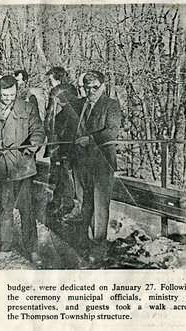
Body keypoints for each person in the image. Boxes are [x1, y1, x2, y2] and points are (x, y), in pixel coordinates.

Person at [0, 75, 45, 264]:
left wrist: (34, 143)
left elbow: (38, 129)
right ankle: (5, 248)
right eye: (5, 95)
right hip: (1, 168)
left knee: (27, 210)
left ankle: (33, 250)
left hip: (23, 166)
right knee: (5, 209)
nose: (8, 98)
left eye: (12, 94)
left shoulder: (27, 108)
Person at [72, 70, 121, 244]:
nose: (91, 91)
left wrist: (91, 139)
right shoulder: (80, 105)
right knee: (84, 201)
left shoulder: (111, 104)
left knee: (100, 205)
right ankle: (85, 239)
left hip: (102, 162)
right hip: (81, 161)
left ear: (103, 86)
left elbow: (112, 131)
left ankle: (99, 244)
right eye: (87, 87)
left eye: (95, 87)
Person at [43, 67, 78, 219]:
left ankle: (67, 204)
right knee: (62, 171)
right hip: (64, 138)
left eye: (50, 79)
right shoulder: (68, 91)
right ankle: (58, 201)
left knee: (63, 172)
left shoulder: (59, 92)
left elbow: (51, 118)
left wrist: (51, 140)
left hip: (60, 139)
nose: (49, 82)